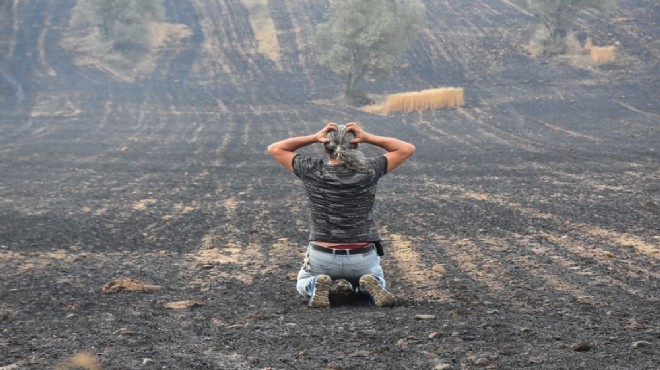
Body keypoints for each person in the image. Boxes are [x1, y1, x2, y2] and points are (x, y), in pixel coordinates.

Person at [267, 122, 415, 307]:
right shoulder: (369, 169)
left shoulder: (312, 169)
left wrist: (313, 137)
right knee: (376, 277)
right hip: (361, 256)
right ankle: (369, 285)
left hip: (322, 255)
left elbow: (275, 148)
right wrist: (368, 136)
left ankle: (314, 284)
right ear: (356, 145)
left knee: (302, 283)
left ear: (325, 147)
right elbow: (406, 148)